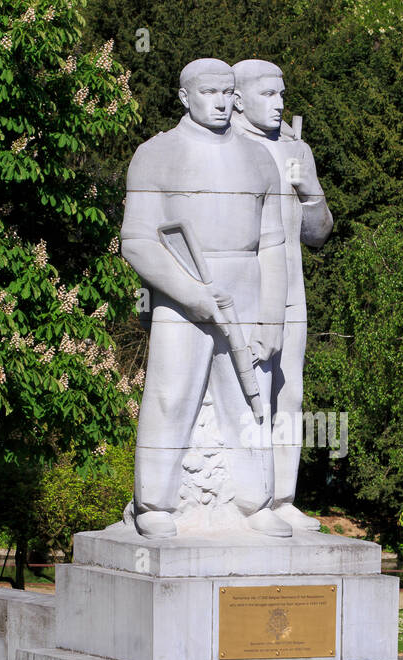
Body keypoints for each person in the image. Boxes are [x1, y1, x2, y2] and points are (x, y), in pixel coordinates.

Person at [119, 58, 290, 538]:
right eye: (209, 92)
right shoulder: (156, 154)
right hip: (184, 290)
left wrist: (272, 318)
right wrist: (191, 295)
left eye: (226, 92)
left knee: (250, 400)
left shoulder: (259, 159)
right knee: (172, 395)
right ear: (184, 97)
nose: (219, 101)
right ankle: (155, 502)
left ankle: (256, 502)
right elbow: (137, 240)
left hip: (248, 292)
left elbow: (273, 243)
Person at [232, 59, 334, 532]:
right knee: (250, 393)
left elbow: (319, 234)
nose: (279, 104)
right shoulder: (224, 146)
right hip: (246, 294)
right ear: (238, 98)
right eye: (268, 95)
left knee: (289, 396)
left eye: (281, 94)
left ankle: (282, 498)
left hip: (292, 289)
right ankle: (244, 500)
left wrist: (310, 191)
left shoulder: (297, 149)